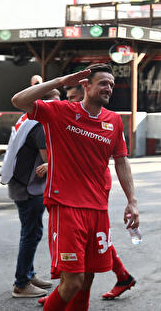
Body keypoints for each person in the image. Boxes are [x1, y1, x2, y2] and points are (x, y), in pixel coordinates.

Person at [10, 64, 139, 311]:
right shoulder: (59, 111)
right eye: (103, 83)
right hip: (66, 207)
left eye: (111, 84)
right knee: (72, 282)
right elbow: (18, 100)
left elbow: (121, 161)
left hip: (98, 210)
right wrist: (60, 80)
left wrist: (132, 201)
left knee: (87, 281)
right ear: (85, 85)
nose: (108, 88)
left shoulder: (114, 121)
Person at [61, 83, 137, 301]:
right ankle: (120, 275)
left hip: (92, 189)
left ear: (84, 90)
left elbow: (118, 158)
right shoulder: (67, 114)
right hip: (76, 189)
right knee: (91, 239)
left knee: (91, 238)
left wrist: (132, 200)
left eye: (74, 97)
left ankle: (69, 287)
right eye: (68, 98)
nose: (71, 102)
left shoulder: (110, 119)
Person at [2, 89, 58, 298]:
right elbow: (49, 159)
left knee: (32, 232)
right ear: (44, 104)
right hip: (29, 187)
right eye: (55, 104)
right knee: (31, 233)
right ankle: (22, 283)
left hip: (20, 183)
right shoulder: (41, 126)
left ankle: (28, 273)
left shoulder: (26, 118)